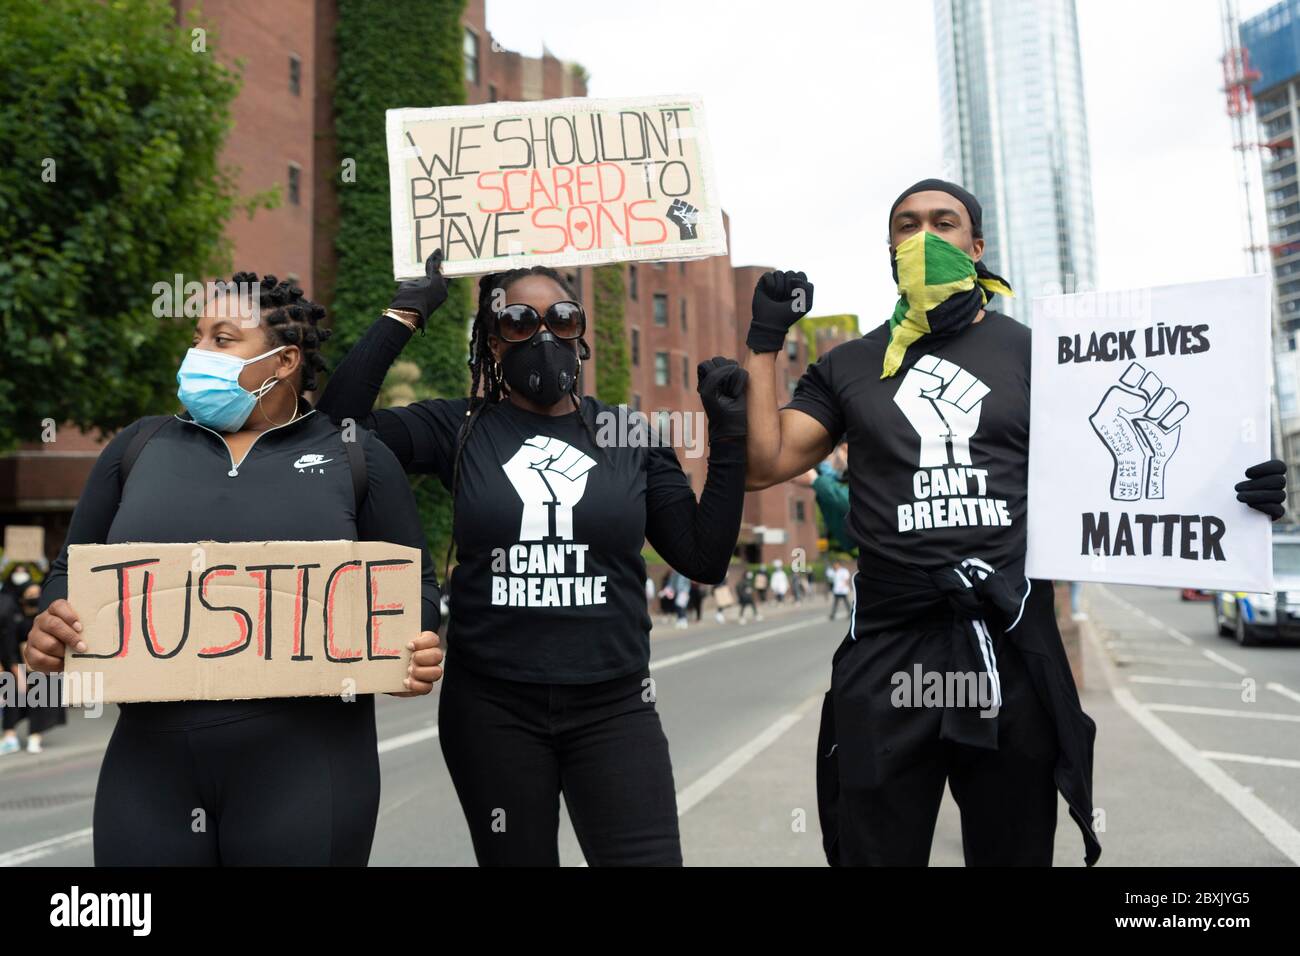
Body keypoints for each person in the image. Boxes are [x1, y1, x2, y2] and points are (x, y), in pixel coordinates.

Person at [741, 179, 1287, 868]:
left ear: (976, 247)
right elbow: (765, 463)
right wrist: (764, 342)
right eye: (907, 226)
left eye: (944, 223)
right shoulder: (848, 364)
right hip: (887, 649)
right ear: (890, 250)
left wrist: (1239, 495)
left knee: (1015, 853)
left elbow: (1135, 447)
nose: (925, 236)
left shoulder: (1044, 353)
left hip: (1008, 643)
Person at [314, 250, 749, 866]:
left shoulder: (626, 435)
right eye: (519, 322)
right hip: (491, 710)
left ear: (581, 335)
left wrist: (729, 436)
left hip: (615, 705)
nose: (544, 334)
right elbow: (336, 430)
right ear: (492, 343)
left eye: (563, 319)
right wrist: (404, 314)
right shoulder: (458, 428)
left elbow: (703, 557)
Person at [25, 273, 444, 866]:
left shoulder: (356, 457)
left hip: (311, 770)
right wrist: (51, 622)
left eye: (222, 340)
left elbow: (414, 585)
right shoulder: (137, 449)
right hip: (148, 770)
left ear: (285, 360)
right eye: (196, 338)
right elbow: (69, 572)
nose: (198, 355)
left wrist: (417, 639)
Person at [1, 582, 65, 754]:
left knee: (42, 702)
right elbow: (9, 645)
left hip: (43, 669)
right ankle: (9, 738)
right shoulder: (15, 618)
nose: (34, 597)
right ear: (22, 598)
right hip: (19, 668)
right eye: (30, 594)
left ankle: (34, 738)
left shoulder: (47, 617)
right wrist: (16, 671)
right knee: (13, 701)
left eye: (37, 593)